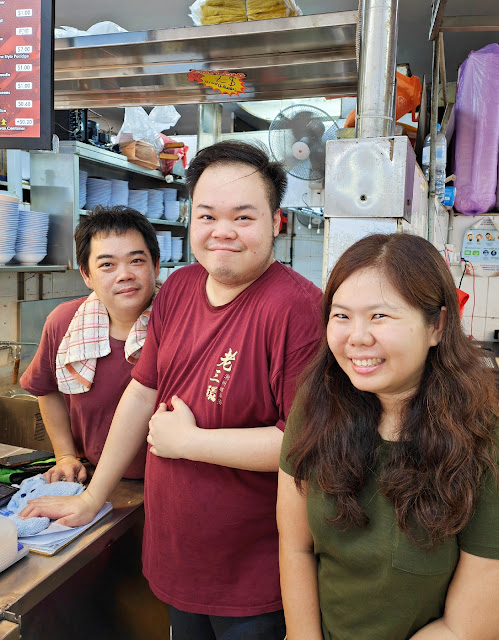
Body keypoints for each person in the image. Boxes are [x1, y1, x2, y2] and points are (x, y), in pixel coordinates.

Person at [21, 141, 323, 640]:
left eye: (243, 217)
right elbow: (142, 393)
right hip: (176, 557)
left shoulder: (296, 310)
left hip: (254, 572)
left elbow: (305, 445)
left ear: (276, 222)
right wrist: (93, 496)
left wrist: (191, 443)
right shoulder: (180, 288)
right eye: (207, 215)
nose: (222, 231)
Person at [277, 232, 499, 640]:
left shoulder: (484, 432)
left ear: (438, 325)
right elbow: (295, 547)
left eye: (380, 316)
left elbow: (471, 624)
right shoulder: (317, 401)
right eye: (341, 316)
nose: (357, 337)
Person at [20, 205, 160, 483]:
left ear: (156, 265)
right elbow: (46, 390)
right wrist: (65, 456)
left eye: (137, 261)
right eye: (107, 264)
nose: (124, 275)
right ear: (86, 275)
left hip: (170, 480)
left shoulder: (183, 321)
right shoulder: (65, 323)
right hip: (95, 477)